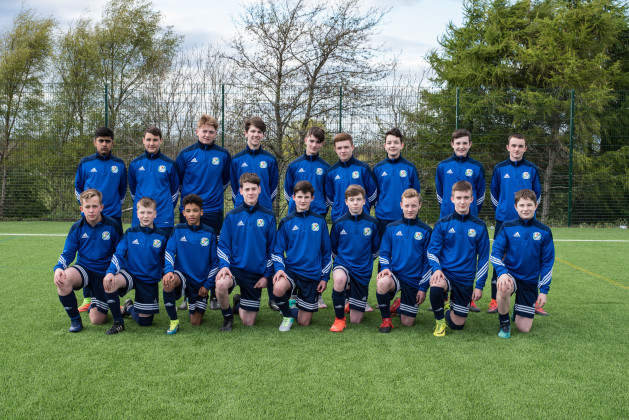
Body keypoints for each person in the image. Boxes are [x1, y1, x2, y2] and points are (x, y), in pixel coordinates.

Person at [175, 115, 231, 311]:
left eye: (211, 132)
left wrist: (211, 196)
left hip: (213, 210)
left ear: (216, 134)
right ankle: (186, 293)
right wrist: (191, 205)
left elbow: (225, 181)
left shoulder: (223, 154)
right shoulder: (185, 154)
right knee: (187, 251)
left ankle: (214, 293)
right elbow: (178, 182)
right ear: (197, 131)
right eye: (204, 131)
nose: (207, 135)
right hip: (189, 211)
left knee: (213, 251)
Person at [53, 189, 123, 334]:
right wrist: (59, 267)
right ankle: (75, 320)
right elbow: (68, 253)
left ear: (101, 207)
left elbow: (120, 253)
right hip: (83, 269)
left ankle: (117, 306)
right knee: (63, 279)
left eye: (94, 206)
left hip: (104, 274)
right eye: (87, 207)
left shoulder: (113, 226)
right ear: (81, 209)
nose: (91, 210)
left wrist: (111, 271)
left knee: (97, 320)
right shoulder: (76, 227)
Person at [489, 133, 543, 315]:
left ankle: (532, 301)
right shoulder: (499, 168)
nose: (517, 149)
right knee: (498, 257)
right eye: (513, 145)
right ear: (508, 147)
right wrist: (505, 210)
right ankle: (494, 300)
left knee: (530, 259)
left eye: (520, 146)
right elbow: (494, 195)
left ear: (525, 148)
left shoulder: (532, 169)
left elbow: (537, 195)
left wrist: (527, 214)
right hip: (503, 221)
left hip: (527, 223)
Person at [74, 127, 127, 312]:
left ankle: (112, 296)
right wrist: (88, 209)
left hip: (113, 216)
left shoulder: (119, 164)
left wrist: (110, 209)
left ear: (112, 143)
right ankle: (87, 298)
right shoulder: (85, 163)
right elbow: (78, 188)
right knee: (86, 254)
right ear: (94, 142)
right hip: (90, 219)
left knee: (116, 254)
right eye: (101, 141)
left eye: (107, 141)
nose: (104, 144)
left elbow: (122, 192)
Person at [215, 173, 277, 331]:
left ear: (259, 190)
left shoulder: (269, 216)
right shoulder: (232, 216)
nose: (251, 192)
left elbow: (272, 250)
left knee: (248, 322)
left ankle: (238, 302)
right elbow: (223, 246)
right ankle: (227, 317)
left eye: (254, 189)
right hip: (234, 270)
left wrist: (266, 276)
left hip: (255, 274)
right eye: (247, 189)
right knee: (221, 284)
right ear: (241, 191)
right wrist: (224, 266)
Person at [427, 181, 490, 337]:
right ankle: (440, 322)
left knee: (457, 325)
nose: (462, 201)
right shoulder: (442, 223)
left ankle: (449, 309)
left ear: (472, 199)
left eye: (466, 197)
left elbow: (483, 258)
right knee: (436, 283)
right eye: (459, 197)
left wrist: (479, 285)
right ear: (452, 199)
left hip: (465, 278)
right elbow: (432, 251)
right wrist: (437, 269)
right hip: (446, 274)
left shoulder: (480, 226)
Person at [490, 189, 555, 338]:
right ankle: (504, 323)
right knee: (503, 286)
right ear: (516, 207)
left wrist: (544, 291)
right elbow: (495, 254)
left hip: (530, 281)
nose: (525, 209)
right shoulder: (507, 227)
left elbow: (547, 263)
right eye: (522, 205)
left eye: (529, 205)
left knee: (524, 328)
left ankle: (518, 310)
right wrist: (502, 273)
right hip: (510, 275)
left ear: (536, 206)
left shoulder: (544, 231)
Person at [230, 117, 279, 311]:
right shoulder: (236, 160)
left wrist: (264, 204)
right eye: (252, 131)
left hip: (264, 213)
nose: (256, 135)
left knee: (270, 250)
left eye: (259, 132)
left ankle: (273, 297)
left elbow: (273, 188)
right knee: (243, 250)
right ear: (246, 133)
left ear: (263, 135)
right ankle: (241, 294)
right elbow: (234, 188)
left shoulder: (270, 159)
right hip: (242, 213)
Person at [434, 128, 486, 312]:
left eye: (465, 143)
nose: (461, 146)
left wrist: (471, 211)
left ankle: (468, 297)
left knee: (469, 254)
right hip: (447, 217)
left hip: (470, 219)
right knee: (444, 252)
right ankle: (442, 296)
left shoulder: (477, 166)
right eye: (458, 143)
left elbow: (480, 195)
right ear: (452, 144)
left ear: (470, 144)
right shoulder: (443, 166)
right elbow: (440, 193)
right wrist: (449, 209)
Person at [271, 181, 332, 331]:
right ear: (293, 197)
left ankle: (292, 307)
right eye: (299, 197)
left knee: (304, 322)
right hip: (291, 271)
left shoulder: (320, 221)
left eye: (306, 197)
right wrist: (279, 269)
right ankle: (287, 315)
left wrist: (324, 278)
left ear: (312, 198)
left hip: (311, 274)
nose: (303, 200)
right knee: (278, 288)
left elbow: (327, 252)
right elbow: (277, 250)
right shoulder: (286, 222)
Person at [102, 197, 170, 331]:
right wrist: (110, 271)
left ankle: (129, 308)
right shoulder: (130, 233)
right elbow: (119, 254)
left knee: (145, 322)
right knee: (111, 282)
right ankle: (118, 322)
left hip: (149, 279)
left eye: (149, 212)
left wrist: (166, 273)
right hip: (130, 274)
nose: (146, 216)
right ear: (137, 214)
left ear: (155, 214)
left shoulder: (162, 236)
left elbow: (165, 260)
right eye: (142, 212)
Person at [283, 126, 331, 309]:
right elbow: (288, 192)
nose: (314, 145)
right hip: (295, 216)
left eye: (318, 142)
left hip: (317, 216)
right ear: (305, 140)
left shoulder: (326, 168)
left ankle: (317, 294)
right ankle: (294, 291)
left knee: (315, 253)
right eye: (311, 141)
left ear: (322, 144)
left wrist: (320, 211)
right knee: (294, 250)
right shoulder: (294, 165)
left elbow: (328, 195)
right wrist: (296, 209)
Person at [161, 194, 219, 334]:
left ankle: (191, 301)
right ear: (183, 213)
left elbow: (215, 263)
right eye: (188, 211)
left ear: (201, 212)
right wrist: (168, 271)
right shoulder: (178, 229)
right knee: (168, 281)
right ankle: (174, 321)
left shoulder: (209, 232)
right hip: (181, 276)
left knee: (196, 322)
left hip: (200, 281)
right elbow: (169, 251)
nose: (191, 214)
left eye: (195, 210)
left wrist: (207, 285)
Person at [376, 188, 432, 333]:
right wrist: (385, 268)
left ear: (419, 205)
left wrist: (423, 288)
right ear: (401, 205)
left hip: (414, 280)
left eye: (413, 206)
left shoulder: (426, 230)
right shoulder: (391, 228)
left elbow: (428, 262)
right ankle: (386, 320)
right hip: (395, 276)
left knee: (407, 323)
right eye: (407, 205)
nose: (410, 209)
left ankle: (399, 305)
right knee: (382, 282)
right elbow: (384, 252)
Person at [329, 185, 380, 332]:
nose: (355, 203)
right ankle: (339, 320)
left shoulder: (373, 223)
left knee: (356, 320)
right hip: (343, 264)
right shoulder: (339, 223)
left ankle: (350, 301)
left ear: (364, 201)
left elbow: (376, 249)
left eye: (358, 199)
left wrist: (364, 261)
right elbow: (334, 249)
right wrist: (343, 263)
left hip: (362, 270)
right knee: (340, 279)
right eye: (352, 200)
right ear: (346, 202)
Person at [373, 128, 421, 236]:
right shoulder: (378, 168)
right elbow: (374, 194)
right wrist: (381, 208)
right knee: (385, 246)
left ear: (402, 145)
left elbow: (416, 193)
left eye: (396, 142)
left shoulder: (410, 168)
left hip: (405, 217)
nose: (392, 145)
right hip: (383, 218)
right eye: (389, 143)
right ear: (385, 146)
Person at [128, 127, 179, 229]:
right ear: (143, 140)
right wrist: (142, 208)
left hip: (163, 217)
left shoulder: (170, 164)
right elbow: (133, 191)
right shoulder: (134, 164)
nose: (151, 143)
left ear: (161, 141)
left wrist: (166, 208)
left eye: (155, 140)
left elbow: (174, 192)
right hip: (141, 218)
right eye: (148, 139)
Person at [325, 132, 378, 223]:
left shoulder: (363, 168)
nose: (343, 151)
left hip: (362, 219)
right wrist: (339, 205)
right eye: (339, 148)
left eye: (346, 147)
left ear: (352, 147)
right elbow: (329, 196)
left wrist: (363, 206)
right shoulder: (331, 172)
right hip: (339, 218)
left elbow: (372, 193)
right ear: (335, 149)